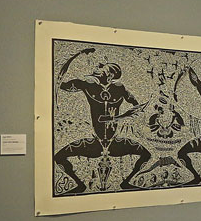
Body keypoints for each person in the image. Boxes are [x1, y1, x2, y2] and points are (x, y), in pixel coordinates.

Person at [54, 61, 151, 193]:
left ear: (110, 74)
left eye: (101, 67)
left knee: (146, 154)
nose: (97, 67)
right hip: (95, 142)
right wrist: (64, 67)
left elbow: (137, 106)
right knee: (58, 157)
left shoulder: (119, 88)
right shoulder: (87, 84)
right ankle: (80, 185)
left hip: (114, 142)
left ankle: (126, 182)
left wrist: (117, 118)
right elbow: (62, 85)